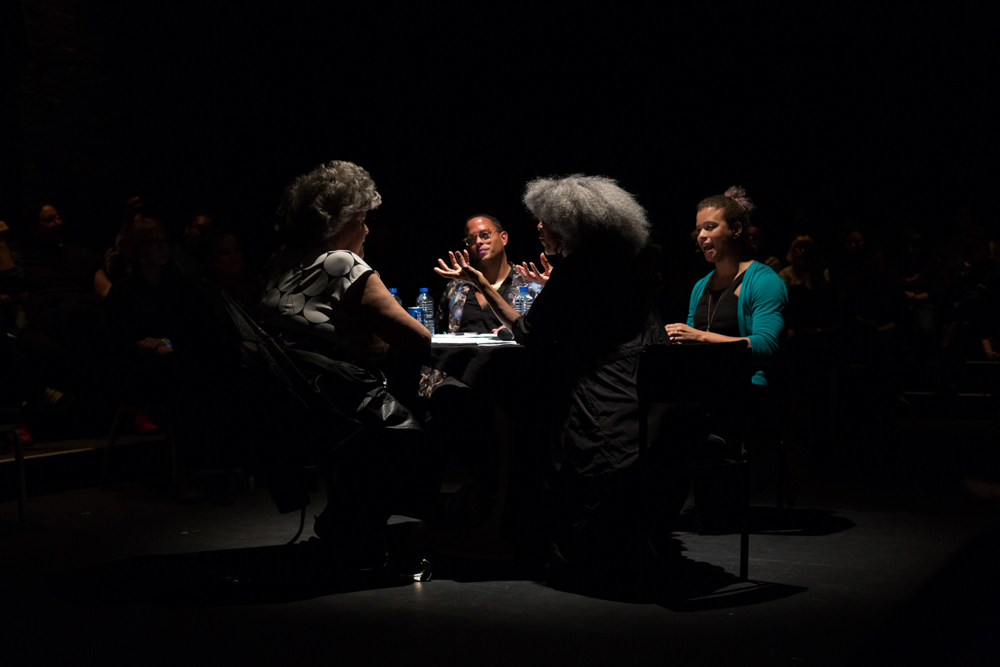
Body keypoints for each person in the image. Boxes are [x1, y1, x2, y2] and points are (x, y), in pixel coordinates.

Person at [435, 174, 686, 576]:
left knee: (515, 406)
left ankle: (506, 530)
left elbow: (530, 334)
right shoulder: (622, 268)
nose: (538, 227)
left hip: (604, 424)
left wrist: (482, 284)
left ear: (572, 227)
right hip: (653, 418)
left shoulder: (580, 269)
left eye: (546, 220)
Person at [259, 160, 433, 566]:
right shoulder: (343, 262)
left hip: (287, 399)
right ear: (340, 222)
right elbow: (416, 338)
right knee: (417, 427)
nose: (368, 229)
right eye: (362, 219)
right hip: (337, 400)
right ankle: (354, 525)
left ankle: (348, 524)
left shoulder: (282, 260)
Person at [665, 186, 787, 387]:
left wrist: (700, 337)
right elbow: (690, 342)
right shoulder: (700, 286)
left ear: (736, 230)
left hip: (745, 393)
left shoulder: (764, 280)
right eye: (698, 229)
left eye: (710, 227)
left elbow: (767, 345)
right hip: (703, 390)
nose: (701, 235)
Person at [437, 214, 539, 333]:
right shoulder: (455, 288)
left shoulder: (531, 285)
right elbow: (439, 333)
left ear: (503, 238)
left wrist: (514, 329)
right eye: (471, 239)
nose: (479, 241)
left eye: (485, 235)